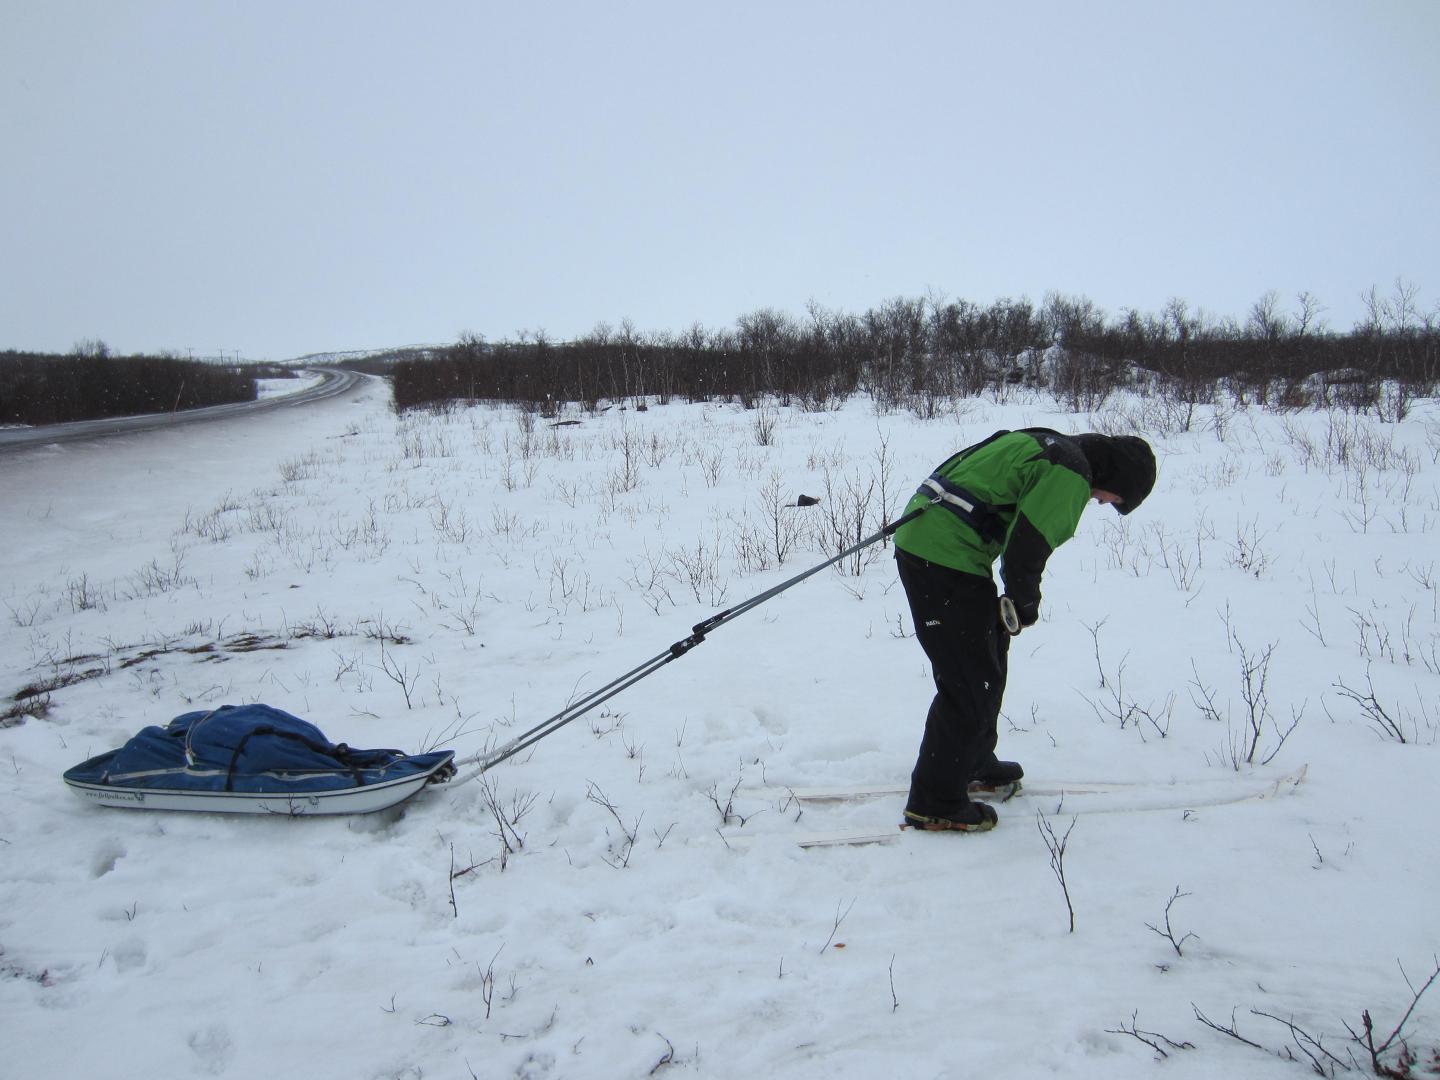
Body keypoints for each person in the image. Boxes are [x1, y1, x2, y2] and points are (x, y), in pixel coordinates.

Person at [892, 429, 1157, 832]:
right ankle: (935, 801)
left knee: (988, 657)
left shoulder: (1046, 443)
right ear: (1118, 478)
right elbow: (1026, 549)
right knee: (970, 682)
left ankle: (974, 759)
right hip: (943, 555)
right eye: (1114, 499)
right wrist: (1024, 602)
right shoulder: (1071, 472)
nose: (1103, 502)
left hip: (935, 541)